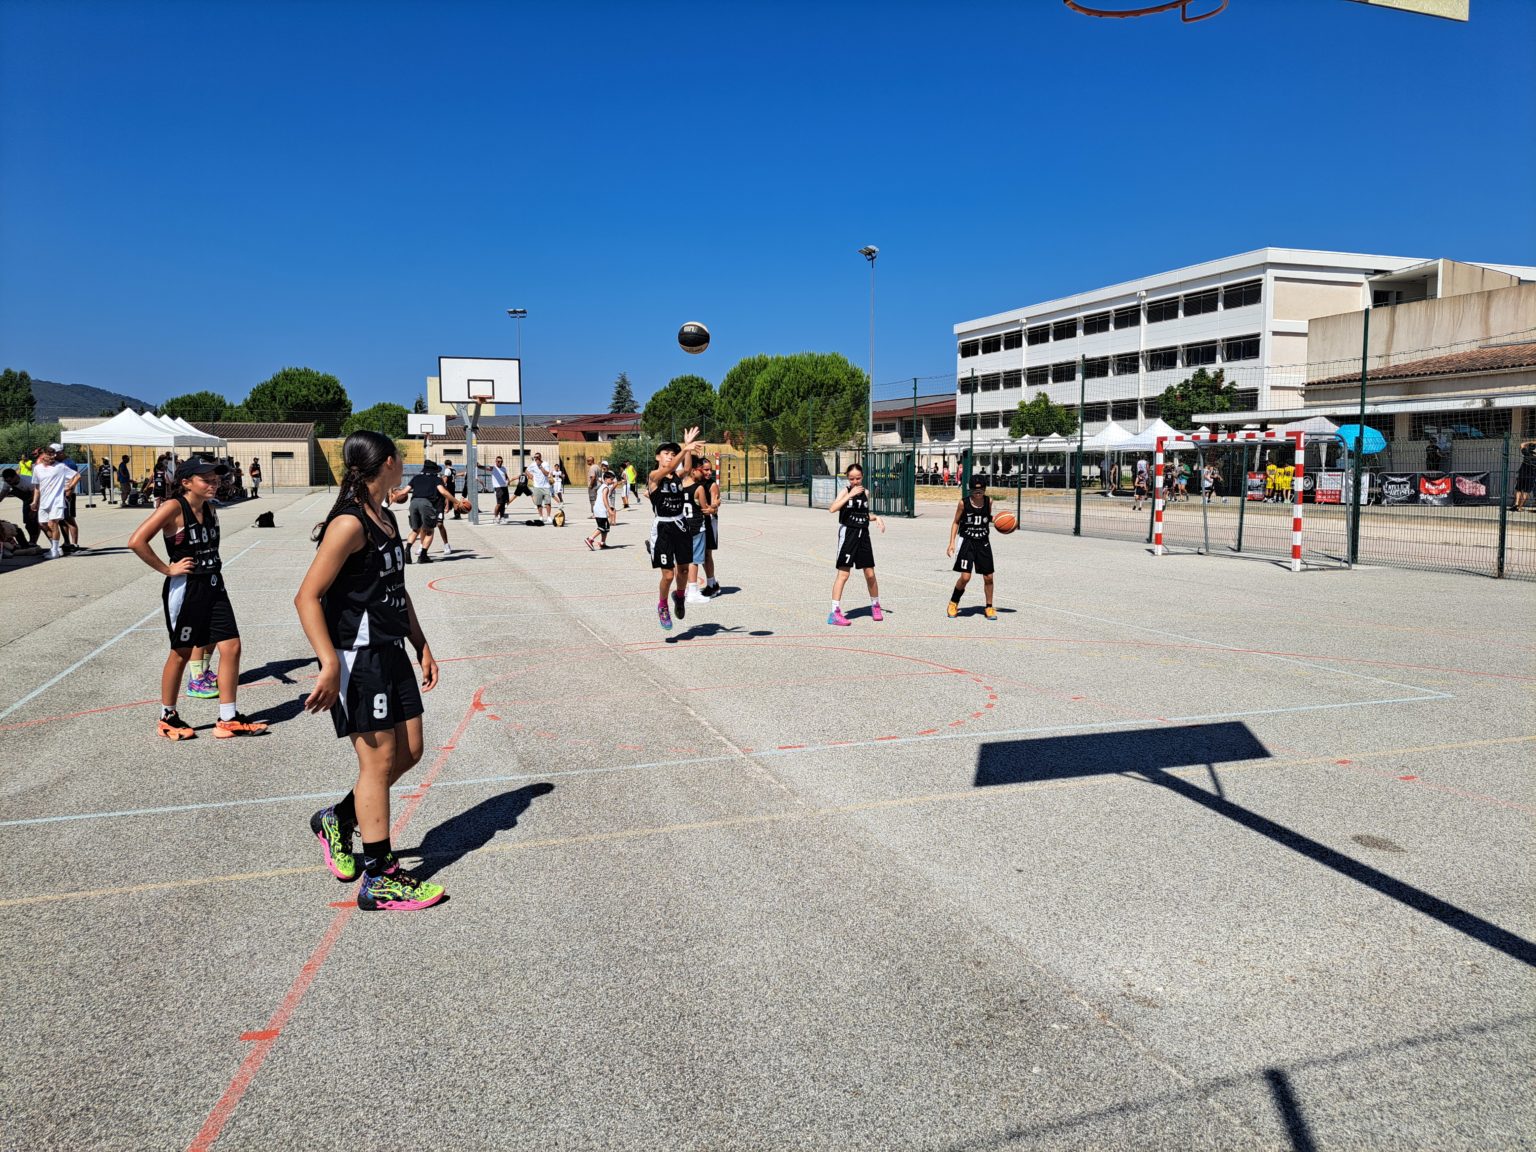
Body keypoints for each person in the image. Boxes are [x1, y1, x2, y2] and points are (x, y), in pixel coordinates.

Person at [296, 430, 444, 912]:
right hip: (357, 657)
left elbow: (396, 590)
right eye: (400, 456)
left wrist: (421, 644)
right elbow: (307, 597)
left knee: (411, 751)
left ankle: (339, 819)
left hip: (390, 649)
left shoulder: (386, 517)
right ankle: (381, 878)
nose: (404, 462)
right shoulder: (349, 523)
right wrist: (328, 662)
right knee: (377, 764)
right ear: (387, 463)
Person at [128, 458, 267, 740]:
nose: (214, 484)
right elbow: (136, 541)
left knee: (231, 646)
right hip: (187, 589)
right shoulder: (173, 507)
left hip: (214, 584)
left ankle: (228, 718)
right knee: (181, 652)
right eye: (206, 479)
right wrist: (167, 569)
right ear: (186, 482)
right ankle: (167, 716)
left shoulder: (210, 508)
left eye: (216, 479)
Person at [647, 427, 705, 630]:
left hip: (681, 525)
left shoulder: (678, 477)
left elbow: (686, 468)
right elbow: (670, 467)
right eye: (666, 453)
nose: (670, 456)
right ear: (658, 457)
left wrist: (687, 448)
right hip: (663, 528)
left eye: (673, 453)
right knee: (668, 575)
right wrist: (685, 448)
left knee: (683, 570)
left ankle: (679, 597)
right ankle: (662, 605)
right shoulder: (654, 476)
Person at [827, 462, 885, 627]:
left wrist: (876, 518)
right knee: (844, 574)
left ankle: (875, 606)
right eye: (852, 479)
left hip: (863, 534)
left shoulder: (866, 492)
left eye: (858, 478)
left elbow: (863, 514)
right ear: (848, 478)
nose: (855, 481)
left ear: (862, 477)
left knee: (870, 574)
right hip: (849, 534)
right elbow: (833, 508)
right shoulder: (845, 491)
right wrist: (849, 495)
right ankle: (835, 613)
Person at [946, 476, 997, 621]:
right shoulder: (963, 503)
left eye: (981, 490)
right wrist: (951, 542)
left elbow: (987, 517)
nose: (978, 493)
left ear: (985, 490)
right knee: (965, 577)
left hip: (983, 542)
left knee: (989, 577)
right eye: (975, 490)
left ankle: (989, 607)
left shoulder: (989, 501)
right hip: (967, 542)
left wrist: (1000, 520)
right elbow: (956, 522)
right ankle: (953, 602)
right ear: (970, 490)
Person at [395, 460, 453, 563]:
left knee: (415, 530)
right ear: (434, 471)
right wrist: (457, 502)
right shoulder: (436, 479)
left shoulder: (416, 478)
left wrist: (392, 498)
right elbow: (443, 491)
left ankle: (407, 550)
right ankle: (423, 556)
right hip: (426, 504)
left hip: (413, 503)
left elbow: (404, 492)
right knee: (430, 531)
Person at [30, 445, 79, 559]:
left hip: (57, 501)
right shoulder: (37, 468)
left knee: (53, 523)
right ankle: (56, 547)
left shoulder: (60, 467)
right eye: (48, 456)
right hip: (44, 501)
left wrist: (70, 487)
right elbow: (37, 487)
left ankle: (55, 551)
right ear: (42, 456)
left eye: (53, 456)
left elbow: (77, 476)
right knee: (43, 524)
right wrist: (34, 501)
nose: (51, 458)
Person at [682, 456, 709, 604]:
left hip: (682, 526)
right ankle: (693, 591)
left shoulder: (679, 486)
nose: (702, 472)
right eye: (700, 469)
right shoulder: (699, 488)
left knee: (683, 560)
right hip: (696, 526)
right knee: (694, 560)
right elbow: (705, 509)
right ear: (693, 470)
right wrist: (714, 506)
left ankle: (684, 588)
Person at [0, 468, 42, 546]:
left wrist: (33, 510)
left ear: (16, 476)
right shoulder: (8, 483)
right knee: (28, 524)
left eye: (10, 481)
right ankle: (31, 542)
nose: (9, 483)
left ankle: (33, 542)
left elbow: (36, 496)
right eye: (7, 481)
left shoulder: (28, 481)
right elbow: (3, 493)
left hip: (38, 499)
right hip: (26, 500)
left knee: (34, 523)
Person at [700, 457, 721, 597]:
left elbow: (715, 503)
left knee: (707, 554)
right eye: (706, 469)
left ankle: (712, 585)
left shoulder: (712, 485)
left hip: (709, 521)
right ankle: (712, 583)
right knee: (700, 555)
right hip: (697, 521)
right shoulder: (695, 482)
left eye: (710, 469)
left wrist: (713, 506)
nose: (709, 472)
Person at [586, 470, 617, 550]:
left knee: (606, 527)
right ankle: (590, 539)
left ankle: (602, 543)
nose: (612, 481)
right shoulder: (605, 488)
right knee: (602, 527)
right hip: (601, 510)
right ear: (606, 479)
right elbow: (604, 498)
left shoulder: (602, 486)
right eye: (611, 479)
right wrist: (609, 509)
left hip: (598, 509)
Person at [526, 451, 554, 526]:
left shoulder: (545, 464)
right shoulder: (532, 465)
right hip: (537, 486)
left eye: (537, 457)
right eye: (535, 457)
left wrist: (540, 466)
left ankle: (548, 517)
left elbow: (546, 473)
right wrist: (530, 476)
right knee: (538, 503)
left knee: (548, 502)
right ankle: (541, 516)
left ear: (540, 457)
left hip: (546, 486)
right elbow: (526, 470)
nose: (536, 459)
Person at [1510, 440, 1536, 512]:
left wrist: (1530, 442)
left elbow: (1522, 444)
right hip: (1531, 476)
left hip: (1522, 474)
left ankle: (1516, 504)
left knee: (1518, 489)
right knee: (1526, 492)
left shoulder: (1527, 453)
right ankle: (1520, 507)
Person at [490, 455, 511, 523]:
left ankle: (502, 517)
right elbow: (485, 468)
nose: (500, 462)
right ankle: (495, 517)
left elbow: (506, 476)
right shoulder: (493, 468)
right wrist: (479, 466)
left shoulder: (503, 468)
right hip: (498, 488)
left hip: (505, 487)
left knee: (504, 504)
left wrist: (508, 480)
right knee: (499, 503)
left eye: (501, 461)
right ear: (496, 461)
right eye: (498, 461)